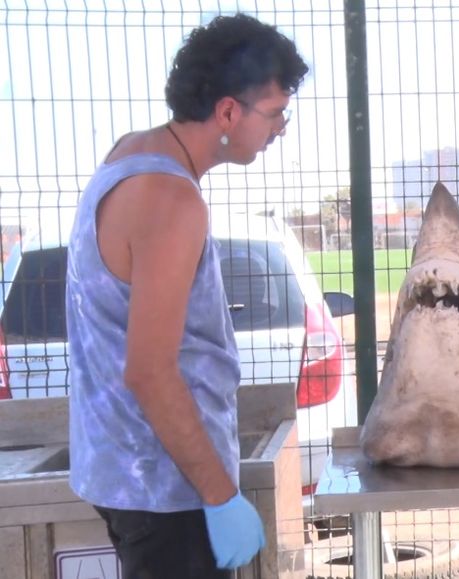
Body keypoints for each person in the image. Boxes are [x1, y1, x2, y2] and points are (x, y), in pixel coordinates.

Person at [65, 14, 308, 578]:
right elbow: (150, 372)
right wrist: (220, 497)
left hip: (127, 476)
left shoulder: (129, 154)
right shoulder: (171, 200)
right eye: (275, 113)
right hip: (167, 492)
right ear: (227, 112)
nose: (280, 129)